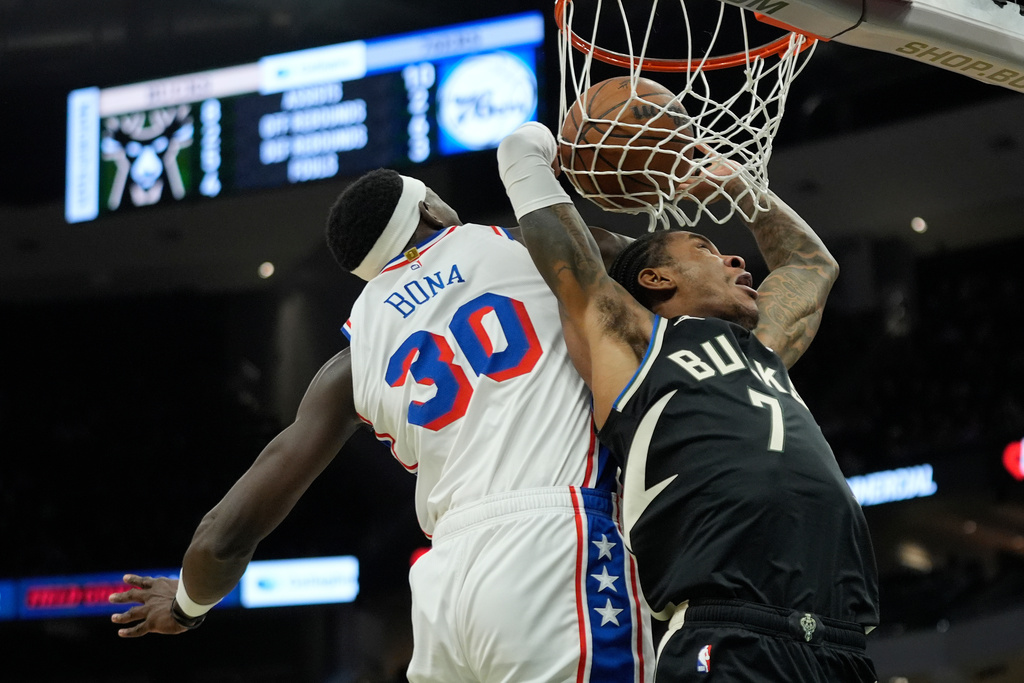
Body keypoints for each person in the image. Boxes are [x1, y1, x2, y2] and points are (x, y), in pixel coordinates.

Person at [109, 167, 655, 683]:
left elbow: (220, 538)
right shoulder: (530, 246)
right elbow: (673, 278)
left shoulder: (352, 357)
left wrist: (185, 606)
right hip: (556, 538)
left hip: (445, 584)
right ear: (433, 209)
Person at [496, 122, 880, 682]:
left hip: (839, 639)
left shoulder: (762, 350)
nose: (739, 262)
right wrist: (529, 151)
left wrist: (745, 190)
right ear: (655, 278)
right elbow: (567, 256)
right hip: (727, 629)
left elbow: (811, 266)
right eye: (707, 249)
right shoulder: (633, 342)